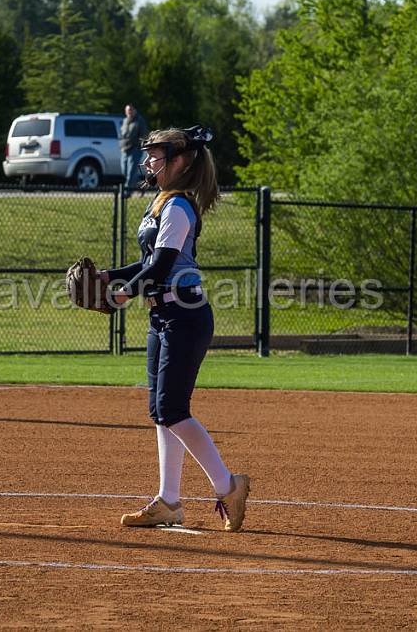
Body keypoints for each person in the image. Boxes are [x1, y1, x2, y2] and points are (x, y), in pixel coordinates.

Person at [102, 125, 250, 531]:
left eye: (156, 154)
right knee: (160, 412)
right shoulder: (161, 202)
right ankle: (168, 502)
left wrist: (120, 295)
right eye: (148, 154)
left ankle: (228, 486)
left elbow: (163, 266)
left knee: (172, 410)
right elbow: (149, 263)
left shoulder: (180, 206)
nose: (148, 161)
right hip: (163, 316)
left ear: (180, 160)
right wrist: (109, 275)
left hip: (185, 316)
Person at [119, 104, 148, 189]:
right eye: (128, 110)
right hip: (124, 149)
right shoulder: (124, 121)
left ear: (135, 110)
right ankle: (139, 184)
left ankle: (127, 191)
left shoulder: (139, 121)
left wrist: (138, 145)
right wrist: (121, 145)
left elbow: (144, 135)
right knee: (124, 170)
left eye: (131, 110)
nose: (129, 112)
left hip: (135, 149)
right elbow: (121, 135)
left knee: (131, 171)